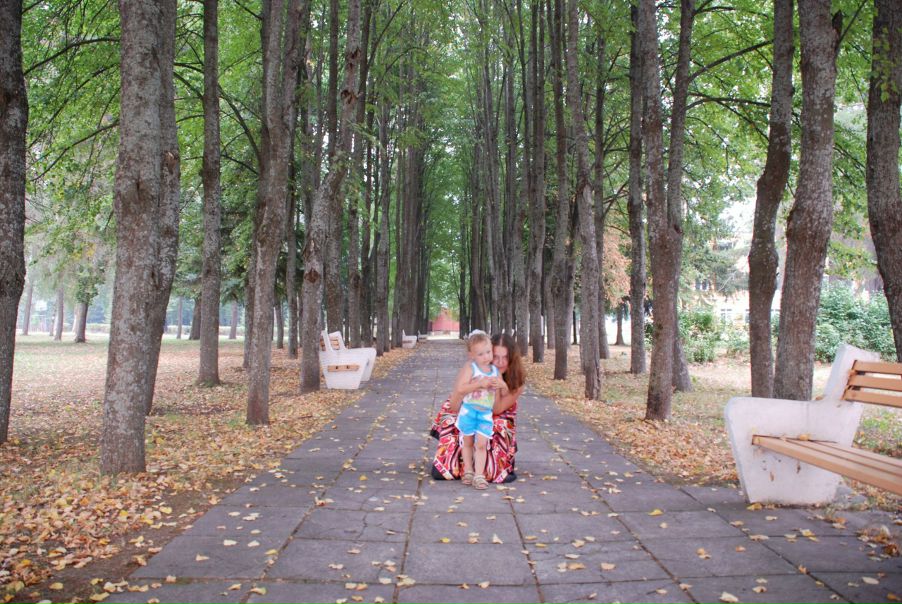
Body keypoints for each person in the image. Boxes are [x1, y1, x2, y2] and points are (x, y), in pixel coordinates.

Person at [431, 332, 525, 484]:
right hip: (469, 407)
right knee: (455, 421)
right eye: (495, 356)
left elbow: (496, 409)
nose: (500, 362)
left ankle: (485, 470)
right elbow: (454, 404)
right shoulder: (472, 368)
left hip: (495, 414)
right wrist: (476, 386)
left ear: (512, 358)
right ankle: (455, 466)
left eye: (505, 357)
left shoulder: (517, 383)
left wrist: (497, 387)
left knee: (496, 426)